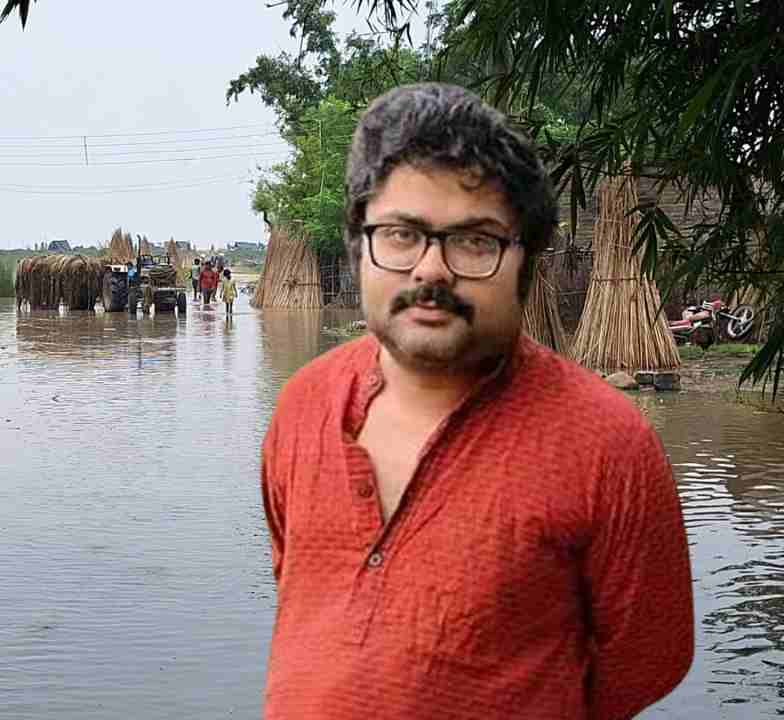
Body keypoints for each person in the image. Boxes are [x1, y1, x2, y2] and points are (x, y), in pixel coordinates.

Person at [260, 83, 693, 719]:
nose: (431, 270)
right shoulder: (303, 405)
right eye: (402, 234)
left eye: (474, 241)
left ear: (527, 261)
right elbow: (299, 592)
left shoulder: (608, 444)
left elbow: (646, 661)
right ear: (361, 245)